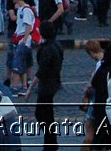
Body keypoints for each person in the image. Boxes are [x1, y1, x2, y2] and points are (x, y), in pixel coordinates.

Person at [33, 22, 65, 151]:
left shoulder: (47, 48)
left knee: (42, 114)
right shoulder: (56, 45)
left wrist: (30, 88)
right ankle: (51, 142)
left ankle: (50, 142)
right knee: (47, 114)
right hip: (53, 82)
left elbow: (42, 70)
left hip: (47, 84)